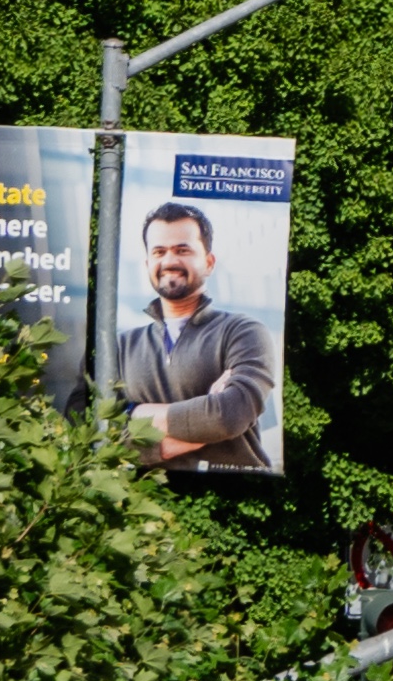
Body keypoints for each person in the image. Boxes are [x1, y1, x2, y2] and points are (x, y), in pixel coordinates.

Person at [110, 197, 277, 474]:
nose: (169, 260)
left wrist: (133, 414)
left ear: (209, 263)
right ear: (148, 262)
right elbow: (94, 429)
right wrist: (196, 424)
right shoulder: (120, 347)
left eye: (182, 250)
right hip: (143, 504)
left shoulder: (243, 332)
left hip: (234, 499)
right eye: (159, 251)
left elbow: (229, 415)